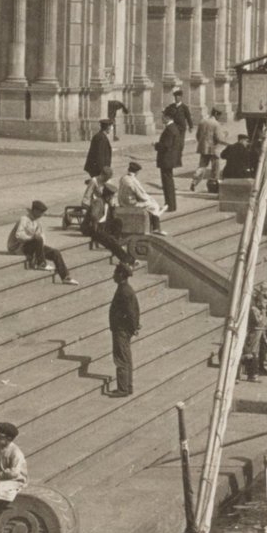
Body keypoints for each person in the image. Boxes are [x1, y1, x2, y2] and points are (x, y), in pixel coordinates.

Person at [6, 201, 79, 285]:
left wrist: (40, 246)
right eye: (40, 212)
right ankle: (41, 263)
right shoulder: (24, 219)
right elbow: (18, 235)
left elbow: (41, 235)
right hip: (19, 247)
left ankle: (65, 277)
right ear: (35, 210)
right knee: (37, 238)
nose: (42, 215)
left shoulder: (37, 221)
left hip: (33, 246)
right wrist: (32, 238)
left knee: (55, 252)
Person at [83, 183, 139, 266]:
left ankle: (115, 241)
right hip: (92, 228)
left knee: (118, 222)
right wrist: (96, 227)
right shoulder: (98, 201)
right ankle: (127, 259)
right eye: (111, 196)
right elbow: (93, 215)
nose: (112, 198)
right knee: (110, 241)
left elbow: (111, 217)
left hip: (102, 225)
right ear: (107, 196)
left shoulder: (107, 202)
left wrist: (113, 208)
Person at [108, 264, 139, 397]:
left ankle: (123, 389)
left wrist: (133, 327)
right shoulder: (126, 289)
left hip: (121, 329)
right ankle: (128, 386)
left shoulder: (124, 291)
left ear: (121, 275)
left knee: (121, 358)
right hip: (124, 328)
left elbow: (131, 312)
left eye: (115, 273)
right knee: (126, 358)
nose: (113, 275)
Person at [116, 161, 164, 232]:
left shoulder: (123, 178)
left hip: (122, 202)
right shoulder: (133, 181)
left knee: (150, 202)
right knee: (154, 206)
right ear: (137, 172)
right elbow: (142, 196)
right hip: (131, 204)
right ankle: (155, 228)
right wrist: (150, 199)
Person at [155, 108, 184, 211]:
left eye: (163, 116)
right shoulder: (173, 127)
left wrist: (156, 145)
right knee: (168, 182)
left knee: (167, 183)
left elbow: (166, 145)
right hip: (169, 160)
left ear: (167, 117)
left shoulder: (169, 129)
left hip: (166, 160)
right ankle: (170, 204)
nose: (162, 118)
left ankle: (170, 205)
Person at [188, 108, 224, 192]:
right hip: (213, 149)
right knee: (215, 168)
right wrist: (227, 142)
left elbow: (198, 136)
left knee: (202, 167)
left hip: (203, 148)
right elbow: (219, 138)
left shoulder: (202, 121)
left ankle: (194, 181)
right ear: (216, 114)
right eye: (219, 116)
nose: (219, 118)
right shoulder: (216, 124)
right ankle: (214, 185)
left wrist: (202, 143)